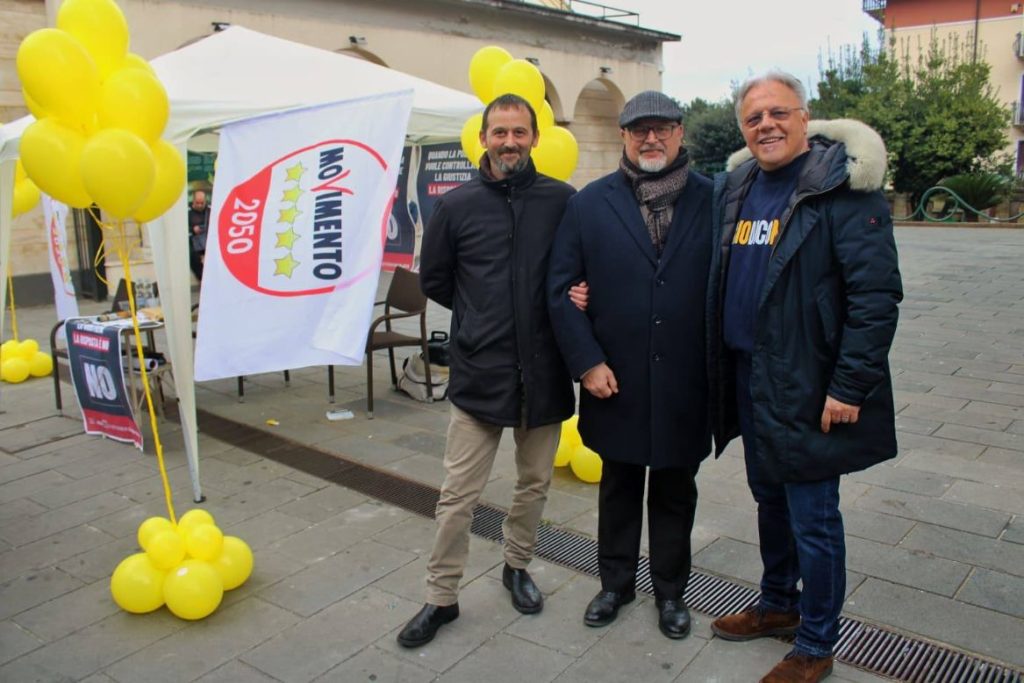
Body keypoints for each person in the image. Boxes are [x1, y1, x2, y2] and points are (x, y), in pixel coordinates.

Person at [707, 71, 902, 682]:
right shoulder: (738, 187)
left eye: (777, 113)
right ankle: (777, 606)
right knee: (769, 501)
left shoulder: (843, 191)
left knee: (813, 520)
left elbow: (875, 298)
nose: (766, 125)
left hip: (810, 384)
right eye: (753, 118)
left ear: (803, 117)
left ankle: (816, 644)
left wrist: (849, 386)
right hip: (750, 377)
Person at [397, 93, 576, 648]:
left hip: (544, 372)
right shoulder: (456, 206)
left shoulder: (562, 201)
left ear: (534, 138)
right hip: (480, 373)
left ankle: (516, 566)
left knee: (534, 484)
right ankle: (440, 597)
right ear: (483, 138)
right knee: (457, 496)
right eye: (499, 132)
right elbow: (437, 281)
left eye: (519, 132)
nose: (509, 142)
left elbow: (576, 270)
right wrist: (479, 321)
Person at [547, 91, 713, 640]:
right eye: (639, 129)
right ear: (622, 136)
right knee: (618, 485)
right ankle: (614, 584)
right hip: (613, 379)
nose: (651, 139)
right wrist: (587, 362)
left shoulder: (715, 200)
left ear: (680, 133)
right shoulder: (589, 204)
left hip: (686, 381)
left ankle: (671, 593)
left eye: (662, 128)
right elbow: (558, 291)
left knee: (674, 489)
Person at [188, 190, 210, 282]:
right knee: (193, 257)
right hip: (193, 242)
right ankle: (202, 278)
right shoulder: (187, 211)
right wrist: (192, 229)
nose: (200, 205)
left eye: (202, 203)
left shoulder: (210, 210)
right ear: (193, 201)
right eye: (197, 203)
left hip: (208, 240)